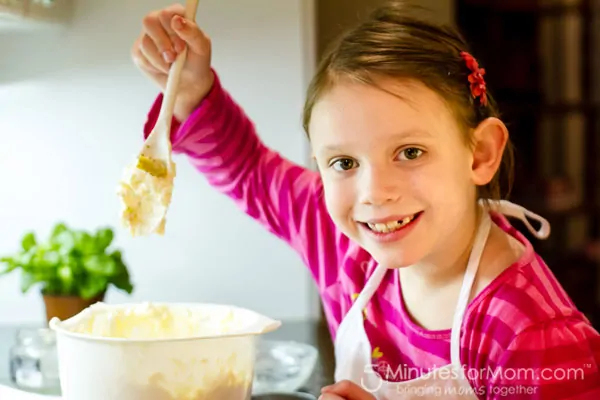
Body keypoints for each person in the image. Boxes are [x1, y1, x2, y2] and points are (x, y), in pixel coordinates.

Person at [131, 1, 600, 398]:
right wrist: (191, 90)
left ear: (480, 154)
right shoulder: (339, 241)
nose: (375, 193)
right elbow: (250, 171)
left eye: (410, 152)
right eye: (343, 163)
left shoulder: (530, 333)